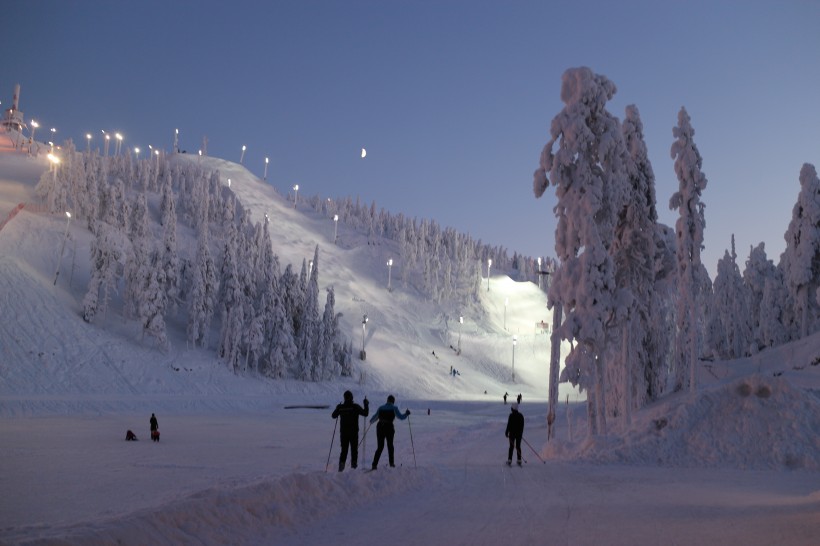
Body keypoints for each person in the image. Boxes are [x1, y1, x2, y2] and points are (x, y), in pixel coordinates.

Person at [331, 390, 369, 471]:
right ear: (351, 397)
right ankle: (353, 468)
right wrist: (366, 404)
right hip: (354, 433)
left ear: (344, 398)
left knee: (344, 450)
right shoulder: (355, 406)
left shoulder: (341, 407)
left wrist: (337, 408)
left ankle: (341, 469)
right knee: (354, 450)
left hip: (344, 433)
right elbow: (365, 413)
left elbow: (333, 416)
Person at [370, 394, 410, 470]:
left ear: (387, 400)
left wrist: (371, 421)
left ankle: (374, 465)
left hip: (380, 427)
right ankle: (391, 464)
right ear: (393, 401)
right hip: (389, 428)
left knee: (380, 447)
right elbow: (401, 417)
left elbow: (374, 418)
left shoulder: (381, 408)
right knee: (390, 446)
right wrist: (406, 414)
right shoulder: (394, 408)